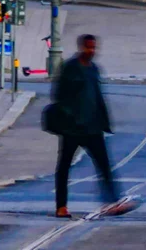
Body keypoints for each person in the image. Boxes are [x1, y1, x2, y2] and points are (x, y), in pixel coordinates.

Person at [51, 34, 139, 218]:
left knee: (105, 165)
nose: (91, 51)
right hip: (72, 129)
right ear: (81, 47)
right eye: (88, 47)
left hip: (93, 128)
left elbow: (97, 96)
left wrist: (104, 121)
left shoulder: (94, 69)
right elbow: (58, 95)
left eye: (93, 48)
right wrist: (70, 116)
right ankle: (61, 206)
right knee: (64, 167)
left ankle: (113, 201)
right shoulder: (70, 68)